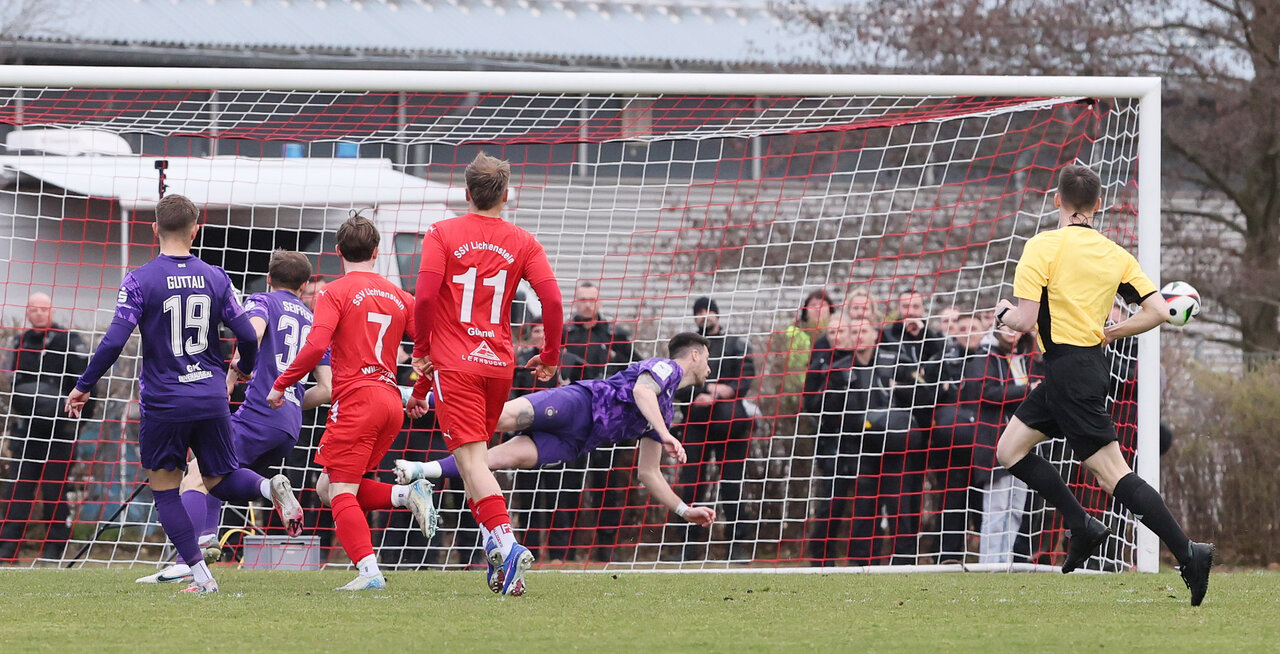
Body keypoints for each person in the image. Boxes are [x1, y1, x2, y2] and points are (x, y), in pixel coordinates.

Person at [993, 163, 1213, 605]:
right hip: (1078, 367)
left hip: (1070, 374)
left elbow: (1022, 319)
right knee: (1010, 450)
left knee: (1113, 474)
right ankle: (1083, 526)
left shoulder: (1041, 247)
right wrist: (1113, 332)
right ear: (1097, 205)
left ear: (1057, 199)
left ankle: (1189, 551)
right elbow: (1158, 312)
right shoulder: (1116, 254)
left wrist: (1000, 313)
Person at [64, 194, 305, 594]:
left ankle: (198, 573)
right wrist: (243, 368)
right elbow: (246, 334)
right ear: (196, 231)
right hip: (211, 397)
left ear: (154, 228)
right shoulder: (217, 277)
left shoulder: (139, 280)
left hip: (164, 401)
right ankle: (267, 488)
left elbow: (112, 342)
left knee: (166, 489)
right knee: (216, 477)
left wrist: (83, 385)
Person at [408, 151, 564, 596]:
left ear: (466, 192)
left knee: (474, 461)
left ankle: (509, 546)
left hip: (456, 362)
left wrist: (421, 351)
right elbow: (552, 303)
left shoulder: (442, 232)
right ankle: (495, 558)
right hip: (498, 363)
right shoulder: (524, 240)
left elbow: (422, 298)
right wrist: (551, 356)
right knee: (470, 461)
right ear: (506, 195)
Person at [134, 250, 339, 584]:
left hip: (257, 415)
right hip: (287, 426)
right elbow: (328, 388)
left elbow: (253, 333)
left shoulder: (263, 300)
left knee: (194, 476)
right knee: (218, 476)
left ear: (269, 278)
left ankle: (192, 561)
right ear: (305, 286)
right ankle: (210, 537)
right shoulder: (313, 320)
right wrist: (290, 398)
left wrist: (234, 374)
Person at [397, 333, 717, 531]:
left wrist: (684, 510)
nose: (710, 369)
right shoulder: (668, 367)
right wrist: (665, 433)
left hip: (577, 441)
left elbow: (648, 472)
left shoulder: (665, 412)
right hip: (579, 404)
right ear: (695, 354)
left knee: (497, 459)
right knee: (501, 417)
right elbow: (641, 392)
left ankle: (420, 470)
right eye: (708, 360)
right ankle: (408, 395)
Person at [270, 215, 436, 592]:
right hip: (391, 400)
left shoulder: (334, 292)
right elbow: (430, 352)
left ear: (338, 252)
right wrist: (421, 393)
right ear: (377, 253)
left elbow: (315, 346)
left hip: (357, 400)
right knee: (327, 486)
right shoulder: (401, 296)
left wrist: (282, 385)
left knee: (340, 490)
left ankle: (368, 571)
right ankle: (405, 494)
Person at [803, 312, 924, 565]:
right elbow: (828, 410)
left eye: (864, 331)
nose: (859, 336)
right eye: (854, 332)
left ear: (875, 335)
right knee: (864, 506)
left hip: (895, 447)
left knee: (898, 504)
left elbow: (924, 393)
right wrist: (854, 417)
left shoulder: (895, 361)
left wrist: (898, 390)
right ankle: (861, 563)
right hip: (859, 447)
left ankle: (904, 561)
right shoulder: (839, 370)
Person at [0, 292, 89, 562]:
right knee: (18, 491)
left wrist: (75, 423)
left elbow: (87, 384)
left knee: (54, 491)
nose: (38, 313)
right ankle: (7, 550)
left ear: (51, 311)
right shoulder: (20, 342)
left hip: (60, 432)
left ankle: (54, 549)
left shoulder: (69, 341)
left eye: (43, 309)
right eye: (33, 309)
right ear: (27, 312)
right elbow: (14, 385)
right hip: (27, 432)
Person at [674, 296, 757, 560]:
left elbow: (744, 379)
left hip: (730, 427)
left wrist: (723, 393)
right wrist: (707, 390)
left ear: (718, 315)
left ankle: (737, 546)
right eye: (699, 312)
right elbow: (677, 381)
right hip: (695, 425)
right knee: (691, 486)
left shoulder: (735, 344)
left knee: (732, 486)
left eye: (709, 311)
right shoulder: (688, 347)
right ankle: (688, 547)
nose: (704, 315)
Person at [563, 281, 633, 381]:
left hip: (607, 390)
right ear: (575, 302)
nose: (587, 305)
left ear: (600, 302)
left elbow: (635, 364)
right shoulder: (564, 334)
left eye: (592, 300)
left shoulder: (614, 334)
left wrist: (615, 357)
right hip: (572, 391)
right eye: (583, 300)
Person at [780, 289, 833, 413]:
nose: (817, 309)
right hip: (794, 397)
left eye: (822, 305)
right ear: (806, 310)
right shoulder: (793, 334)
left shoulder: (839, 333)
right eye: (813, 305)